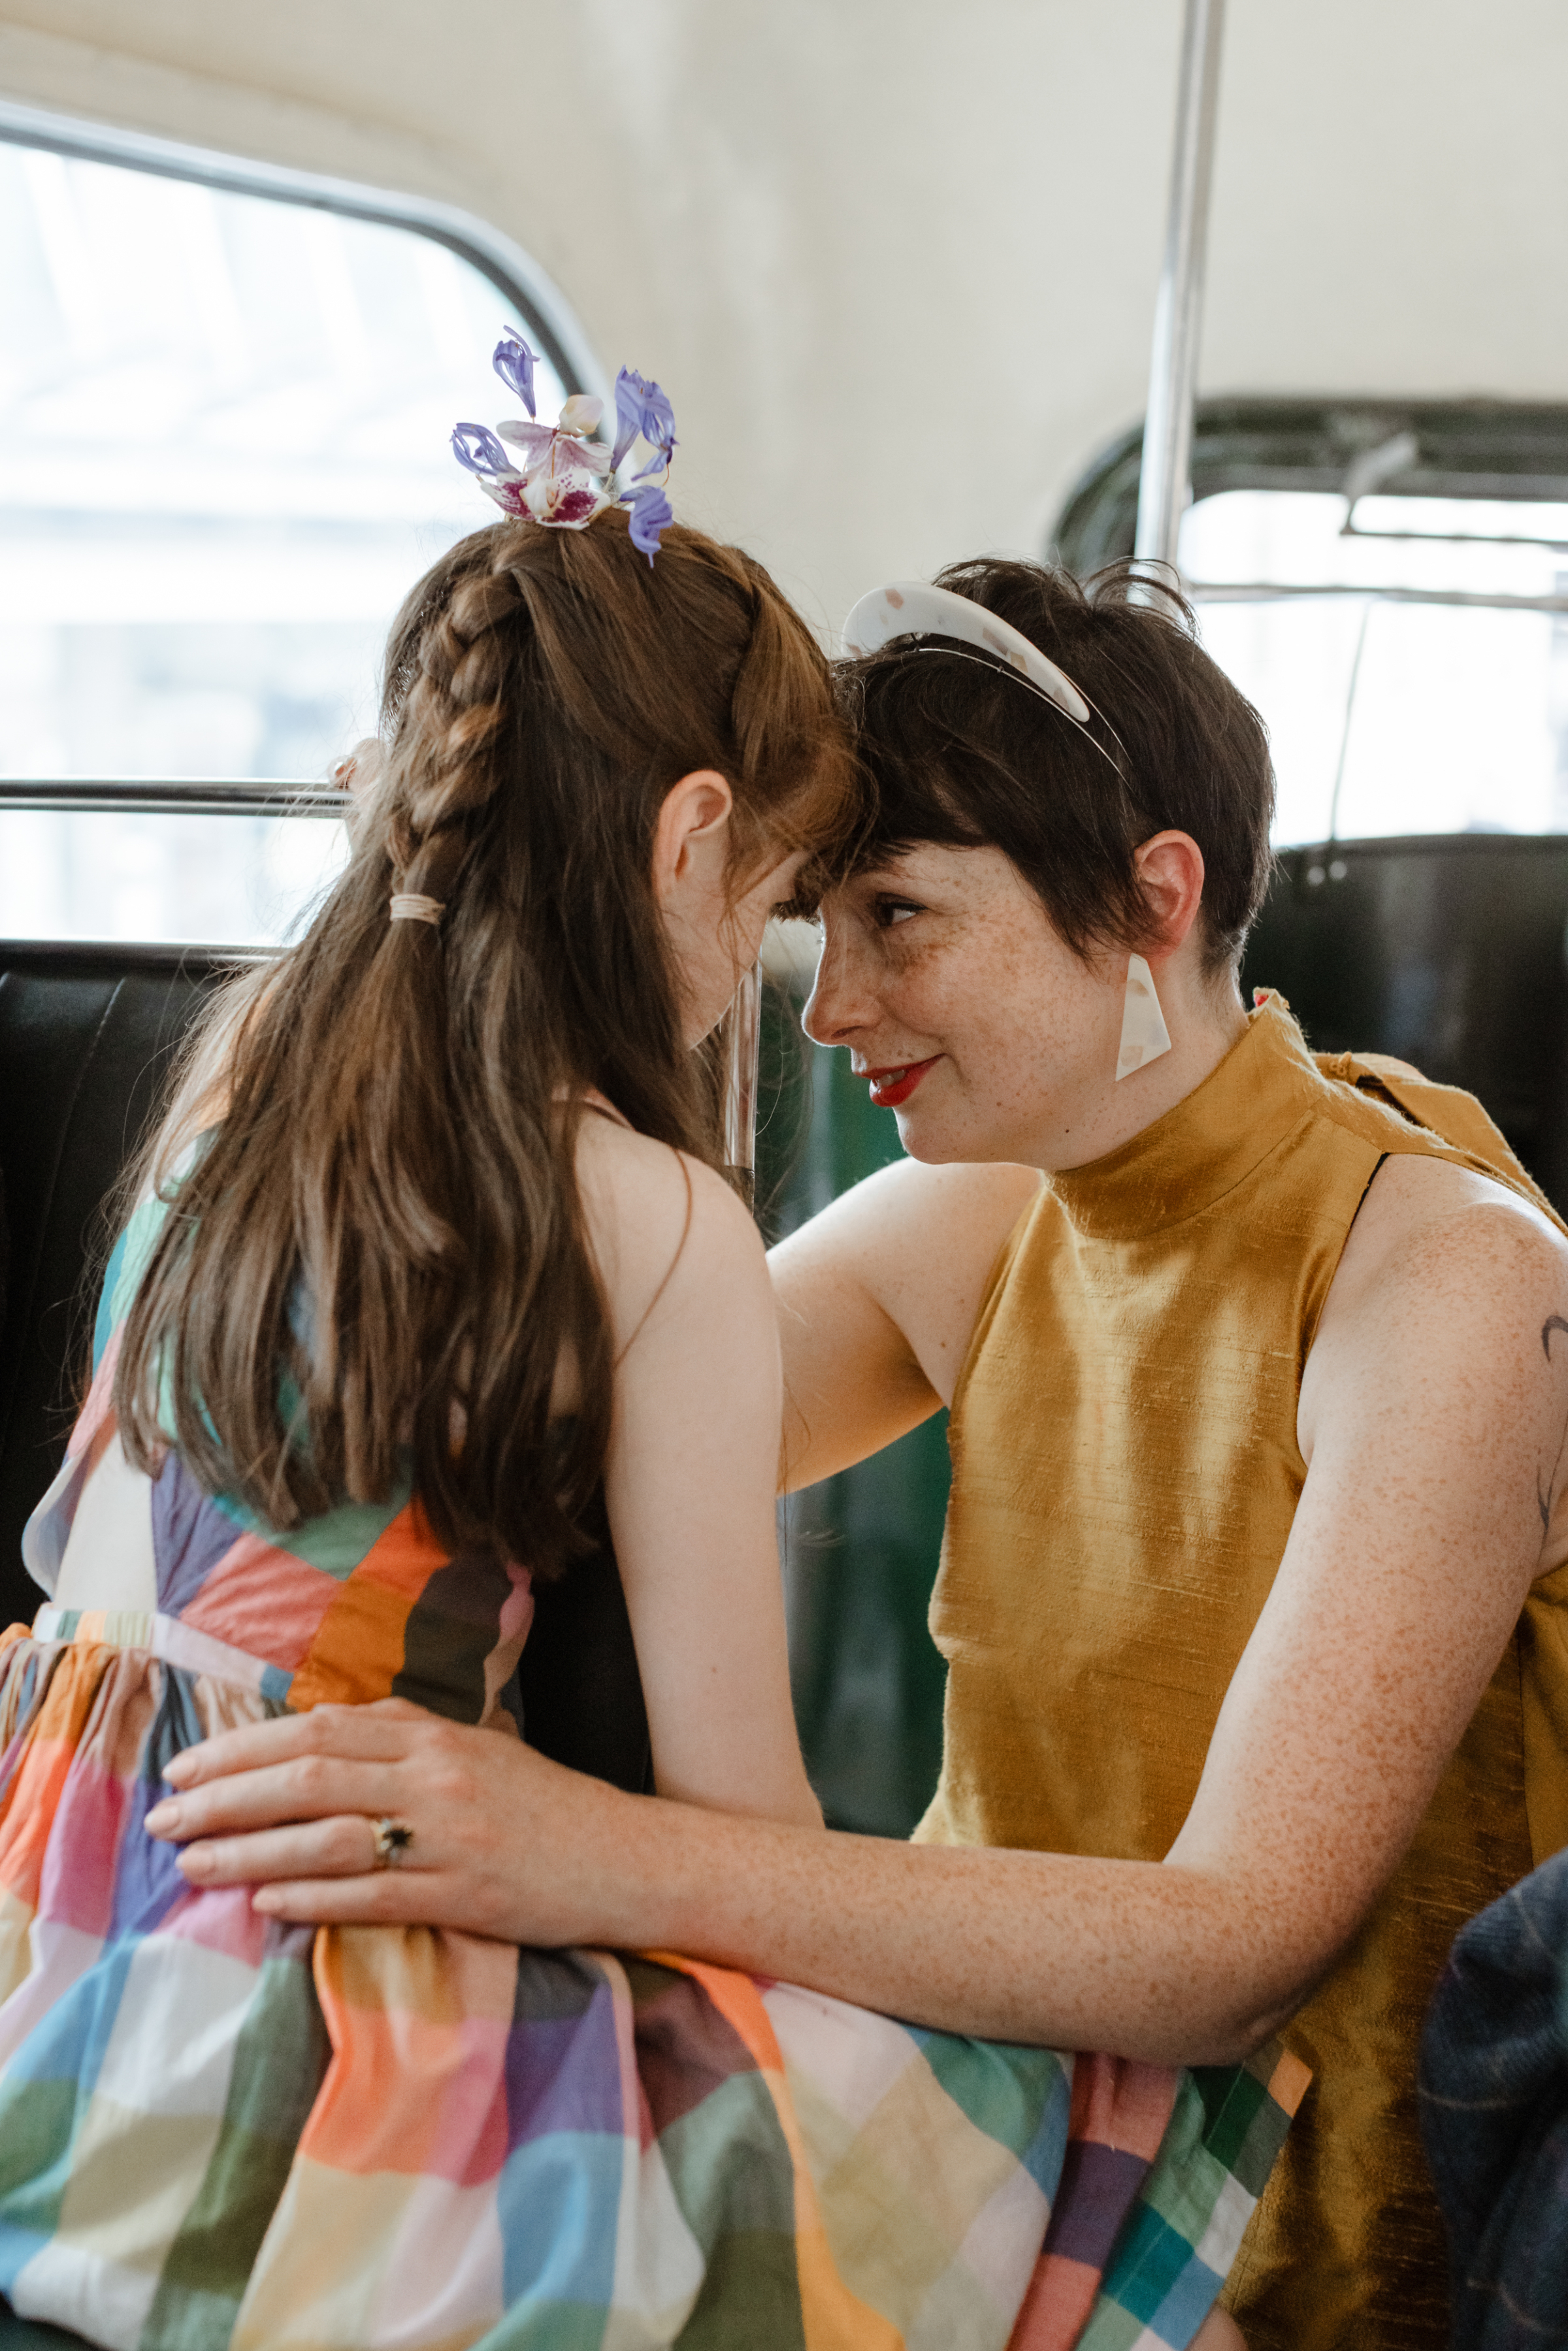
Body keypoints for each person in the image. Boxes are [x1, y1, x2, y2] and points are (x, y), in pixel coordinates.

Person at [0, 349, 1290, 2351]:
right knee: (1125, 2129)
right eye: (784, 906)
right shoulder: (652, 1219)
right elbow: (741, 1828)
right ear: (691, 842)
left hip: (59, 1908)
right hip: (310, 1995)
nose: (804, 996)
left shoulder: (241, 1070)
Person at [142, 551, 1568, 2350]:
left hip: (1285, 2253)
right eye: (816, 925)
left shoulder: (1446, 1283)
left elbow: (1232, 1954)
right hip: (992, 2143)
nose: (826, 1011)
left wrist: (580, 1849)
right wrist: (425, 905)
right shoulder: (985, 1214)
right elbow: (510, 1433)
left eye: (900, 917)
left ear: (1154, 897)